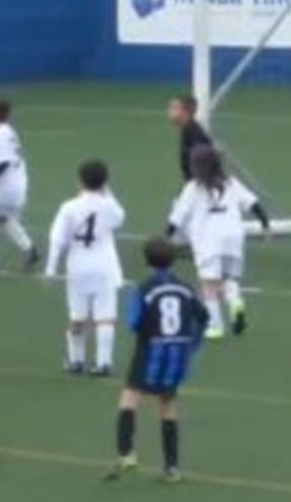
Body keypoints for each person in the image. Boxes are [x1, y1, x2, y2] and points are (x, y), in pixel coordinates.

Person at [107, 236, 210, 483]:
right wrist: (192, 344)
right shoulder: (185, 288)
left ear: (146, 261)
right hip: (177, 354)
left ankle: (127, 453)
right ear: (173, 260)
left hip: (150, 351)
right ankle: (172, 467)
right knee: (168, 406)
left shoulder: (144, 288)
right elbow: (204, 317)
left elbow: (134, 322)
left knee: (129, 400)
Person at [167, 145, 270, 339]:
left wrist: (167, 237)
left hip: (208, 241)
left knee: (208, 284)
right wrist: (265, 224)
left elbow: (177, 217)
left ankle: (215, 326)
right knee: (229, 277)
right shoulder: (231, 182)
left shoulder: (193, 188)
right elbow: (253, 203)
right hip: (233, 238)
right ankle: (235, 302)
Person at [45, 159, 126, 376]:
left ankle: (76, 360)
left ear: (79, 181)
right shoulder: (108, 205)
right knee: (105, 316)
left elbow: (57, 238)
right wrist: (107, 192)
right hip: (104, 265)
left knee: (77, 315)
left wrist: (51, 268)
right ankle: (103, 362)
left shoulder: (69, 207)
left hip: (78, 267)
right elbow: (120, 219)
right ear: (105, 181)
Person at [0, 100, 38, 273]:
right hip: (18, 184)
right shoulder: (8, 131)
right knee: (4, 218)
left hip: (5, 187)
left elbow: (4, 161)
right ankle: (29, 249)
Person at [167, 93, 213, 184]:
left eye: (174, 108)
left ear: (185, 112)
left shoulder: (195, 135)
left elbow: (204, 169)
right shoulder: (188, 131)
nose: (169, 111)